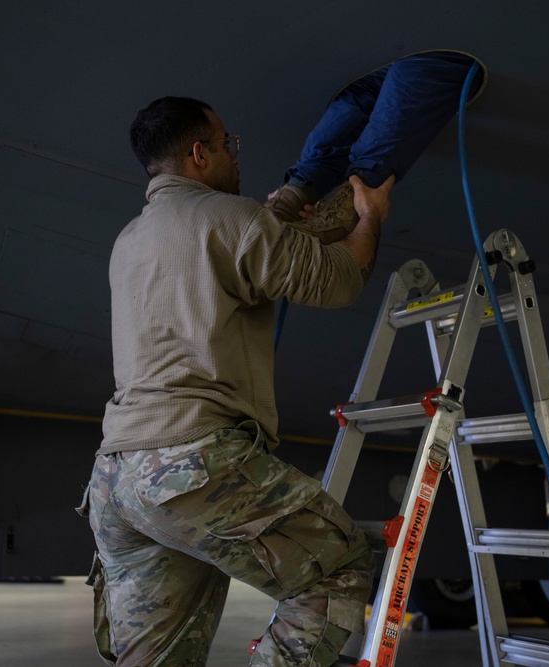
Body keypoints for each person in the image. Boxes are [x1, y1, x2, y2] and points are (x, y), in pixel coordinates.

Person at [77, 96, 393, 667]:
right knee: (339, 565)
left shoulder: (131, 239)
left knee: (156, 658)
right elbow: (341, 281)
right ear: (200, 154)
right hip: (189, 468)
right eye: (228, 145)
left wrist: (285, 211)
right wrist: (369, 216)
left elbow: (235, 250)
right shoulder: (232, 218)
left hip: (117, 479)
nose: (235, 157)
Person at [266, 50, 485, 242]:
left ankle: (289, 204)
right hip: (426, 69)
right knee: (365, 162)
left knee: (319, 156)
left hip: (371, 86)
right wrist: (368, 215)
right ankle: (352, 200)